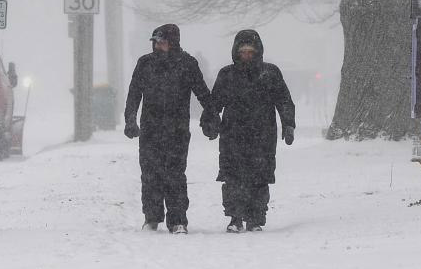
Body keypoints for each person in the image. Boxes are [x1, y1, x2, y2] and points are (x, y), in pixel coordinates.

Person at [202, 29, 296, 233]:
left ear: (257, 51)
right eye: (243, 51)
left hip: (263, 135)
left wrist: (288, 124)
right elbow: (214, 103)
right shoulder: (227, 74)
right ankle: (235, 217)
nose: (246, 55)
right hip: (232, 134)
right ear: (236, 52)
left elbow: (284, 100)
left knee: (259, 177)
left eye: (250, 51)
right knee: (232, 177)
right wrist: (209, 122)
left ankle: (255, 218)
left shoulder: (270, 73)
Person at [124, 23, 214, 234]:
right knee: (150, 174)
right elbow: (134, 94)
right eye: (156, 42)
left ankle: (178, 220)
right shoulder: (145, 64)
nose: (158, 46)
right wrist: (130, 119)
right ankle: (151, 218)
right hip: (150, 129)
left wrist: (211, 115)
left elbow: (202, 92)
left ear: (173, 43)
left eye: (162, 42)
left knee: (175, 175)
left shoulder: (187, 64)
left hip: (177, 130)